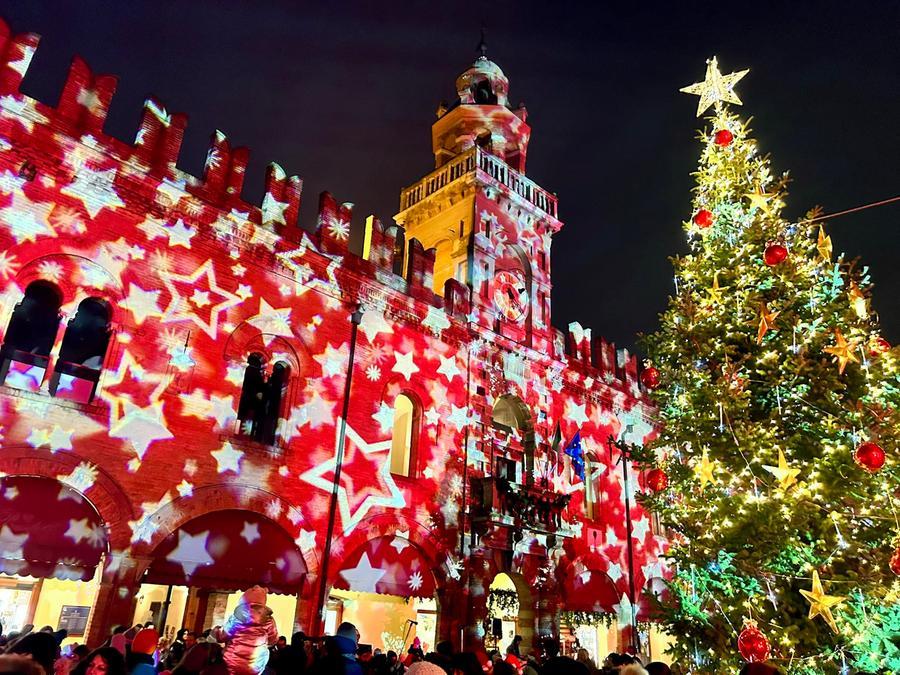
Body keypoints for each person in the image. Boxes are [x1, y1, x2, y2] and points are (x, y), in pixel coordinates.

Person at [211, 586, 278, 675]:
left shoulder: (236, 618)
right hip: (256, 665)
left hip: (232, 662)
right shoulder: (269, 620)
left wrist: (216, 631)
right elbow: (273, 640)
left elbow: (222, 636)